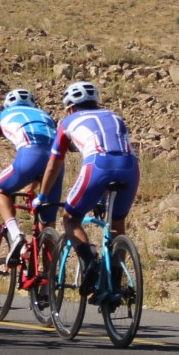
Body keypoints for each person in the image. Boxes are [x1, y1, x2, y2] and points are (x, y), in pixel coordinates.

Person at [36, 81, 139, 300]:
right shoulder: (114, 116)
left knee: (71, 218)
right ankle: (115, 282)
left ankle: (89, 262)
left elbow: (54, 164)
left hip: (97, 165)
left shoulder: (66, 122)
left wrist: (43, 196)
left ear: (71, 107)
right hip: (130, 166)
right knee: (117, 224)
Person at [0, 87, 59, 262]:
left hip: (29, 155)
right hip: (56, 163)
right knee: (48, 224)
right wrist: (31, 187)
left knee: (1, 189)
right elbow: (47, 155)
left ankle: (16, 234)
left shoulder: (0, 116)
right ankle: (48, 283)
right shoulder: (45, 116)